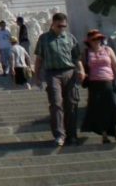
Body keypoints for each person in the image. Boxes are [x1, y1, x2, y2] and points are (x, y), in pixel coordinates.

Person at [33, 12, 85, 147]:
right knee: (56, 103)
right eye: (59, 26)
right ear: (53, 24)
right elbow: (39, 59)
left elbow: (76, 58)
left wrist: (82, 70)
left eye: (64, 26)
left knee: (71, 104)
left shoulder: (70, 38)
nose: (62, 28)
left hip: (69, 72)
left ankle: (72, 135)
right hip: (52, 73)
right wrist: (37, 76)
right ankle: (59, 135)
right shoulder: (44, 38)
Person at [81, 29, 116, 143]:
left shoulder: (108, 50)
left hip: (109, 81)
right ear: (89, 41)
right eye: (94, 39)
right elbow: (82, 67)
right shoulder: (86, 52)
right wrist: (82, 75)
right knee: (100, 110)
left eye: (99, 38)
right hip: (94, 84)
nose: (97, 41)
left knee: (115, 107)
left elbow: (115, 65)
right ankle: (104, 135)